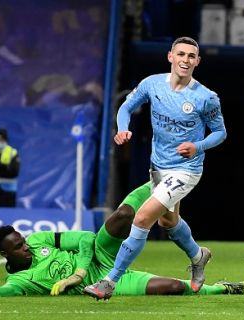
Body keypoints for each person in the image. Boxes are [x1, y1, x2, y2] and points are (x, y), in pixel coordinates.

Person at [84, 36, 227, 300]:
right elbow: (126, 106)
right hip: (158, 167)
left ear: (197, 61)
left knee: (142, 218)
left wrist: (198, 146)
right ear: (170, 57)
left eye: (191, 56)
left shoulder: (206, 98)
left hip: (186, 170)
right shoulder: (152, 84)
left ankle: (108, 283)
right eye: (181, 54)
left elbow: (220, 132)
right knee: (168, 221)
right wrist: (123, 128)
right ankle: (198, 256)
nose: (185, 60)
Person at [0, 183, 244, 298]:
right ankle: (224, 288)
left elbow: (85, 238)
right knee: (170, 287)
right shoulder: (21, 282)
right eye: (18, 247)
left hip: (98, 254)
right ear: (5, 254)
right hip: (102, 279)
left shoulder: (38, 240)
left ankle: (161, 178)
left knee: (124, 214)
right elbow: (5, 291)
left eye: (23, 241)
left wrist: (79, 272)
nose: (26, 247)